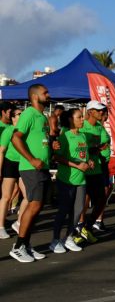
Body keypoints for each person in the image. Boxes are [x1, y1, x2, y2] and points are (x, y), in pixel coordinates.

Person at [9, 84, 53, 263]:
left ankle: (26, 244)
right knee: (34, 205)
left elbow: (40, 141)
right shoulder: (28, 114)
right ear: (35, 96)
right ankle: (18, 246)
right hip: (30, 168)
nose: (48, 94)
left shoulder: (42, 116)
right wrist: (32, 159)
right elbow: (15, 137)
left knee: (38, 206)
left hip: (41, 168)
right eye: (45, 92)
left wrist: (52, 147)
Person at [50, 108, 90, 253]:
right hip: (66, 179)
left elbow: (83, 155)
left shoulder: (83, 136)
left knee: (78, 210)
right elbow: (57, 157)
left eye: (82, 117)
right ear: (70, 120)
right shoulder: (64, 136)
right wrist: (77, 165)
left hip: (81, 179)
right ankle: (55, 240)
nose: (82, 119)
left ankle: (68, 238)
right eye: (79, 117)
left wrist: (88, 161)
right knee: (64, 210)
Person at [76, 101, 109, 244]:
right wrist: (94, 150)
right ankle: (77, 229)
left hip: (98, 168)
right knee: (83, 201)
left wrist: (99, 149)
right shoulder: (82, 126)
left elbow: (105, 143)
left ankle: (88, 226)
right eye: (99, 110)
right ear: (90, 112)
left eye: (103, 110)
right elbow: (79, 147)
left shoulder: (100, 127)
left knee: (102, 200)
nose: (102, 112)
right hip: (83, 170)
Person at [0, 105, 29, 240]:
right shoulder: (9, 130)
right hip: (10, 164)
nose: (21, 115)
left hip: (23, 164)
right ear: (12, 117)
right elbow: (1, 151)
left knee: (28, 196)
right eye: (18, 114)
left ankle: (18, 223)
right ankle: (0, 227)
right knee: (6, 197)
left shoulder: (24, 131)